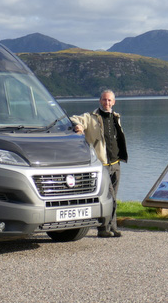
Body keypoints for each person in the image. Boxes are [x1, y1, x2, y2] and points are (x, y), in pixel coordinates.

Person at [70, 90, 128, 238]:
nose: (106, 103)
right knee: (108, 197)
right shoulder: (91, 117)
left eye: (109, 100)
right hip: (101, 165)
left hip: (116, 163)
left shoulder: (116, 117)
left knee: (114, 196)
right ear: (100, 101)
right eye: (104, 100)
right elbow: (73, 119)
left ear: (113, 102)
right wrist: (79, 127)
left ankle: (112, 227)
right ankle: (103, 229)